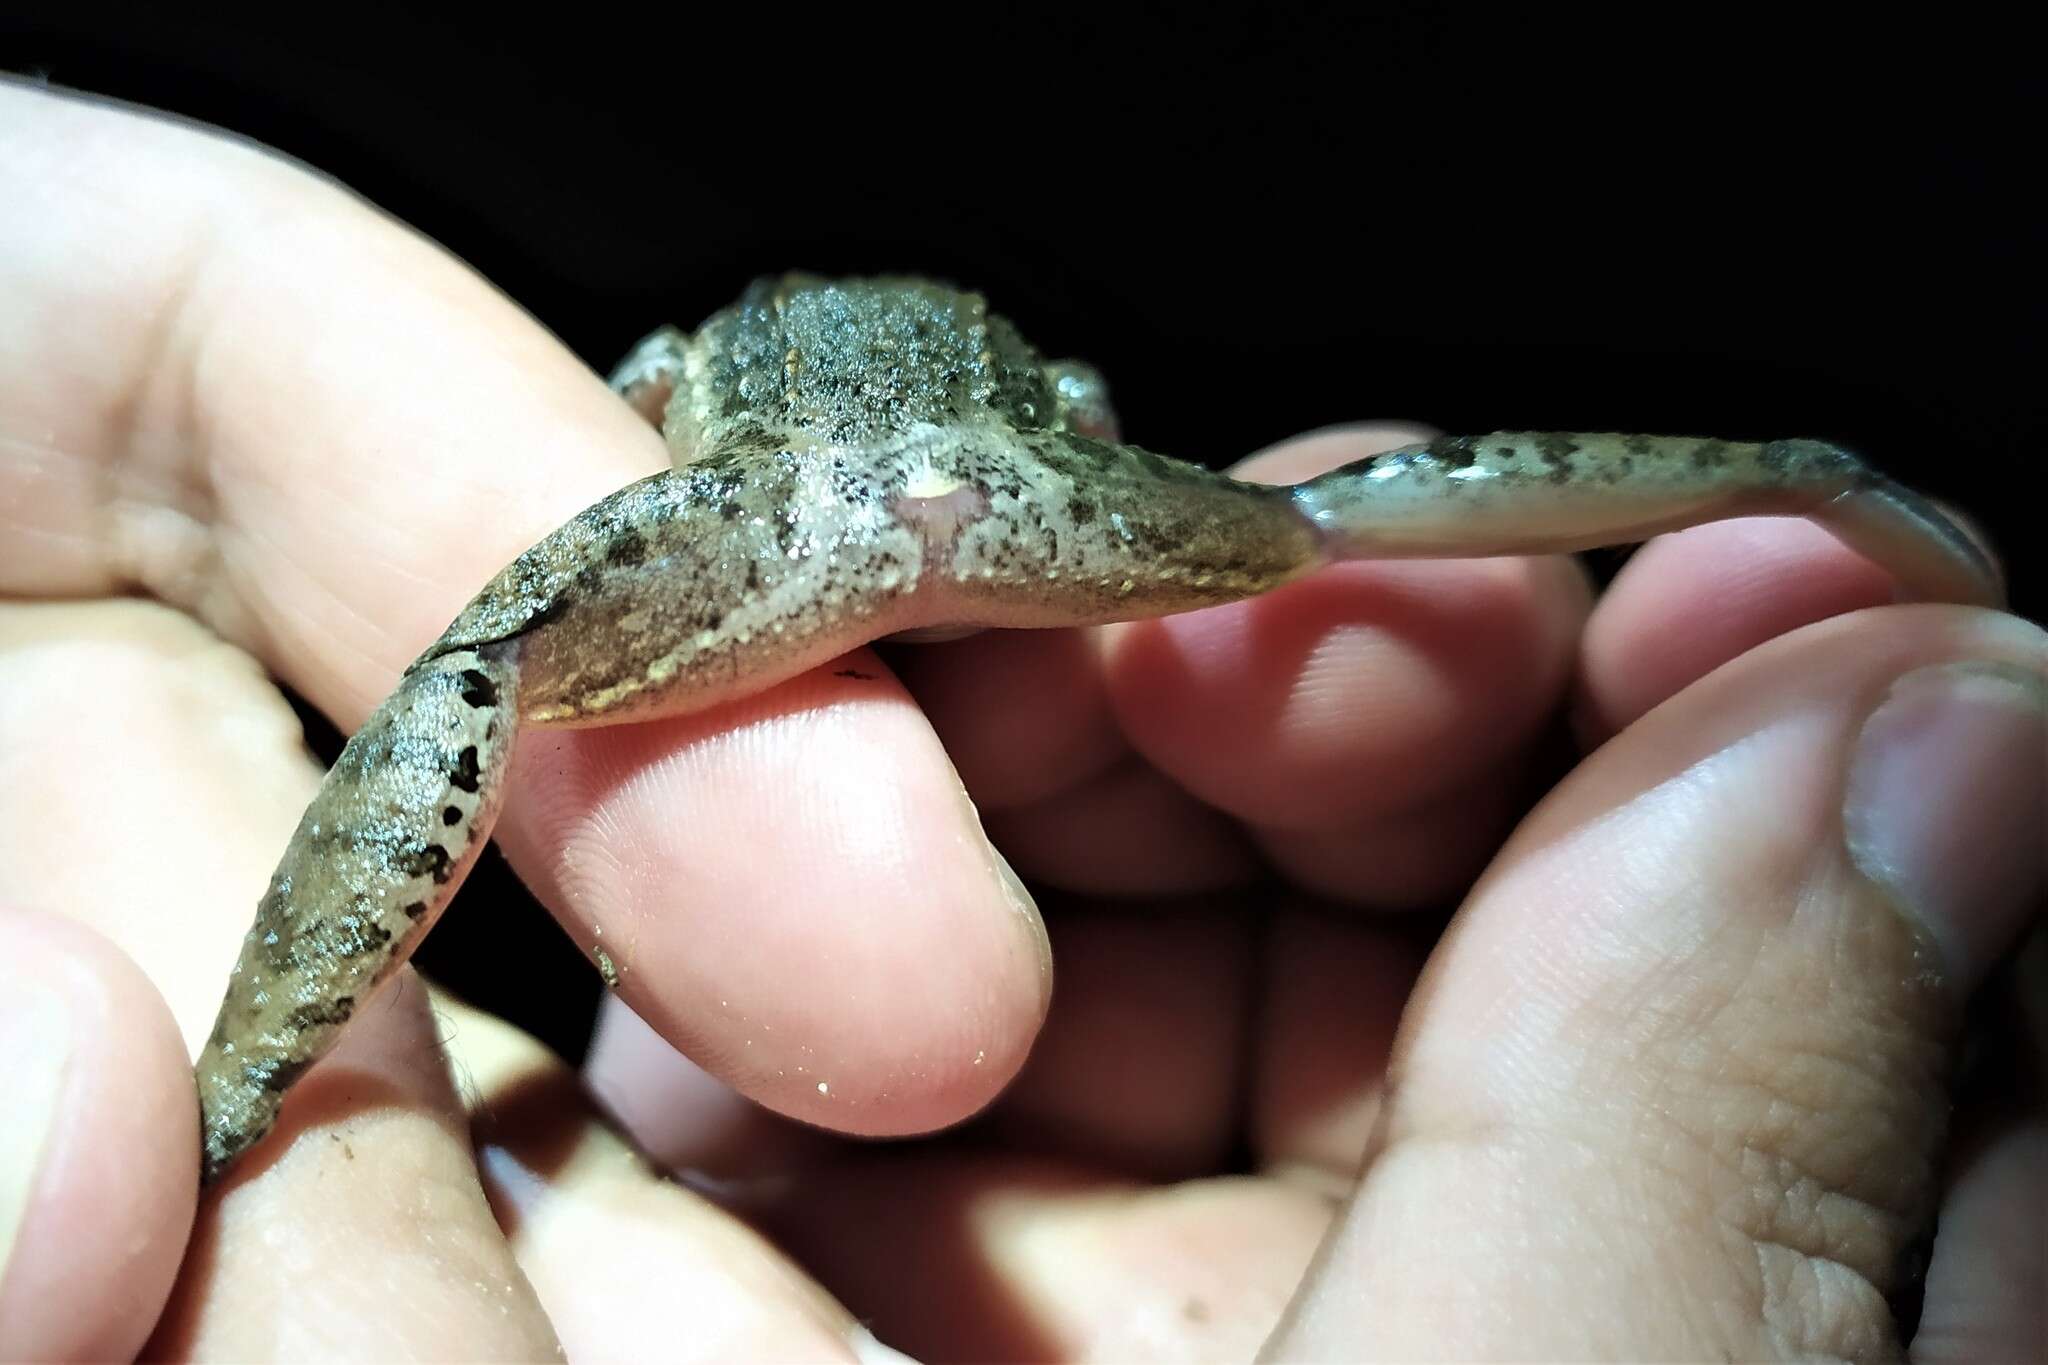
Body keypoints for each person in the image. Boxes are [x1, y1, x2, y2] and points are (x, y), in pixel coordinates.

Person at [0, 77, 2039, 1361]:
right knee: (1321, 525)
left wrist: (665, 439)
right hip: (1016, 471)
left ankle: (247, 1071)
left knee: (478, 664)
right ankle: (1795, 478)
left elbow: (633, 398)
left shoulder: (717, 369)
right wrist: (1042, 465)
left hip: (777, 507)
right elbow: (1088, 413)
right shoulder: (1029, 402)